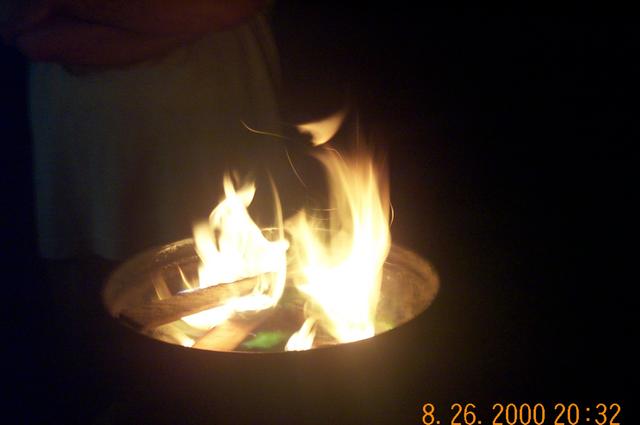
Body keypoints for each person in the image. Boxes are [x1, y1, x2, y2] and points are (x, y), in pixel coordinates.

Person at [2, 0, 300, 262]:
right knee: (93, 286)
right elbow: (28, 30)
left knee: (244, 269)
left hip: (217, 131)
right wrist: (187, 21)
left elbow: (230, 7)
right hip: (87, 148)